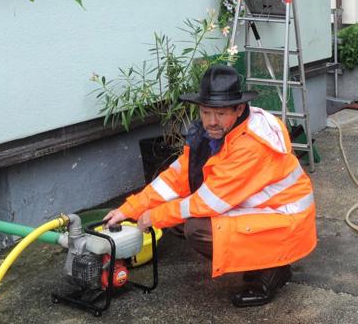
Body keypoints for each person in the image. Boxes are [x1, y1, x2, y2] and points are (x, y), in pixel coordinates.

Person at [102, 65, 316, 308]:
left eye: (220, 114)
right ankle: (260, 260)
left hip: (286, 223)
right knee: (179, 219)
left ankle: (273, 268)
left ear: (239, 109)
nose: (211, 122)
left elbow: (208, 202)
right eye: (205, 112)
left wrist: (155, 216)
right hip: (264, 212)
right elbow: (177, 177)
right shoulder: (215, 134)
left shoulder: (250, 145)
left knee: (197, 228)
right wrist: (129, 209)